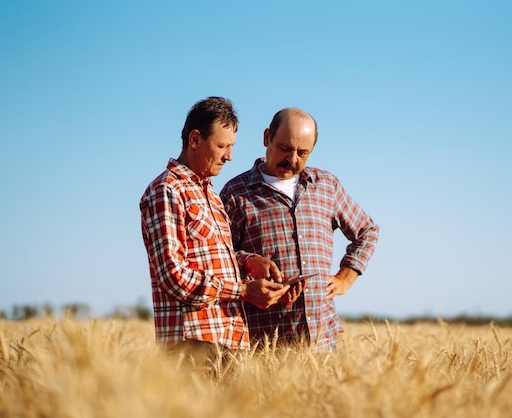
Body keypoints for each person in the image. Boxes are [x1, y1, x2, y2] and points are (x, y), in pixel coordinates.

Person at [140, 97, 290, 362]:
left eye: (231, 147)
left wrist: (248, 262)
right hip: (194, 344)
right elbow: (173, 276)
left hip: (228, 338)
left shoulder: (210, 194)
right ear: (195, 139)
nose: (229, 156)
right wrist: (243, 291)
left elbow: (212, 257)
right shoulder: (167, 190)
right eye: (222, 146)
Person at [220, 107, 379, 352]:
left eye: (303, 152)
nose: (293, 159)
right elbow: (220, 257)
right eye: (285, 148)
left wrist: (346, 277)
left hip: (321, 339)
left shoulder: (326, 185)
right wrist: (249, 262)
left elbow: (367, 231)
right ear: (266, 138)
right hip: (262, 341)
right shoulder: (236, 192)